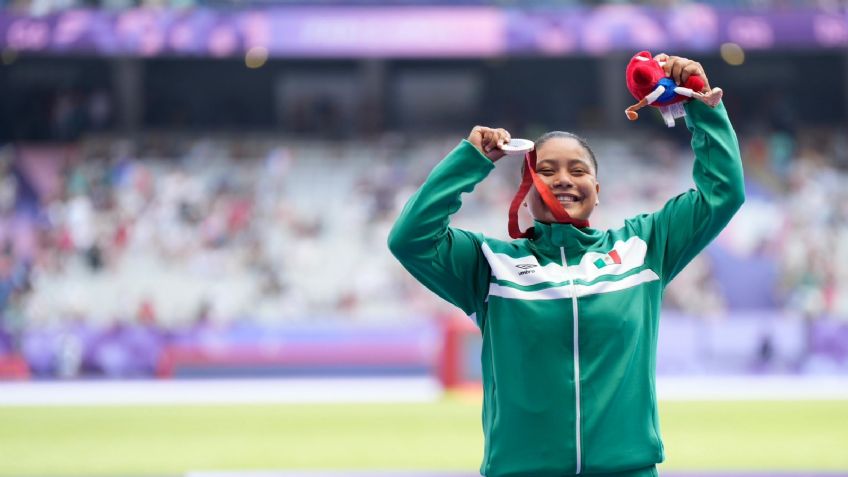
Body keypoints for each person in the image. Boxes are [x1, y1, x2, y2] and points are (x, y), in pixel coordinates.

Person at [388, 55, 745, 477]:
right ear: (527, 190)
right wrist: (469, 162)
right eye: (546, 170)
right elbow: (409, 239)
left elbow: (722, 193)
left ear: (597, 189)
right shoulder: (490, 265)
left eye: (578, 170)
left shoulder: (644, 247)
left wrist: (701, 108)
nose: (562, 179)